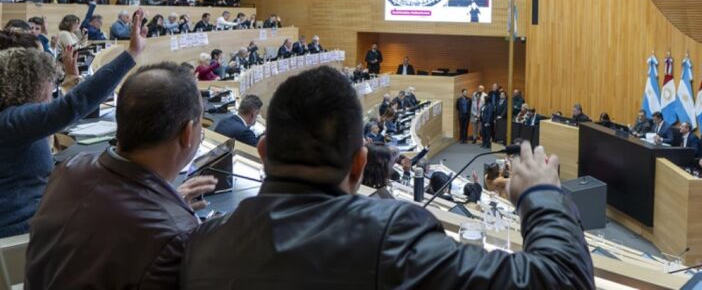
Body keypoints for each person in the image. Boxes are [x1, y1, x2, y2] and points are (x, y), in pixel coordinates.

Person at [180, 66, 594, 288]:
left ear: (265, 152)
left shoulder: (200, 245)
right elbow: (562, 281)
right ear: (359, 165)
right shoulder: (393, 239)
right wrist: (539, 194)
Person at [25, 61, 218, 289]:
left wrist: (169, 201)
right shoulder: (176, 234)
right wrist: (176, 215)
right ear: (187, 133)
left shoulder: (70, 168)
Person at [0, 9, 147, 238]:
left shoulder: (12, 116)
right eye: (48, 79)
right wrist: (131, 54)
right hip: (22, 235)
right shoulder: (12, 120)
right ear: (29, 82)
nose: (51, 86)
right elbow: (73, 104)